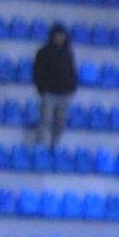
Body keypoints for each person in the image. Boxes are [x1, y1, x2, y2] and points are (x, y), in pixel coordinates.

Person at [31, 23, 76, 151]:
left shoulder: (67, 54)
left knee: (60, 124)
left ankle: (54, 146)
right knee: (45, 122)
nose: (60, 38)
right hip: (49, 94)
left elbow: (72, 72)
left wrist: (71, 88)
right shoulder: (43, 52)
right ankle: (40, 148)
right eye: (58, 36)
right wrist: (42, 89)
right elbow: (37, 72)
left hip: (64, 95)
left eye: (62, 36)